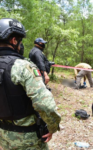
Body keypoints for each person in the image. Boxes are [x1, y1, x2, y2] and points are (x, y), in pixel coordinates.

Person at [0, 18, 61, 150]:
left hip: (3, 136)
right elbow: (45, 104)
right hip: (28, 139)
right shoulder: (22, 67)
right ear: (14, 40)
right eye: (20, 41)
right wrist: (53, 126)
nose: (21, 45)